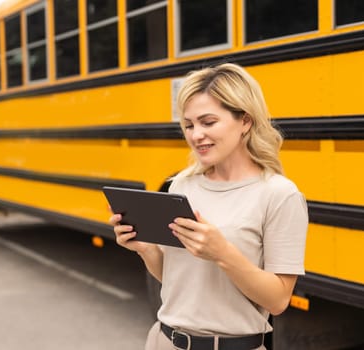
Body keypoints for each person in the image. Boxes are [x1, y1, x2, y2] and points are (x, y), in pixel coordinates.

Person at [110, 63, 308, 350]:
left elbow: (277, 301)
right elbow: (175, 279)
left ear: (245, 121)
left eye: (208, 122)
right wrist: (145, 249)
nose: (196, 135)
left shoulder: (279, 195)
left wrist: (222, 252)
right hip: (165, 341)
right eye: (189, 125)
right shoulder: (181, 186)